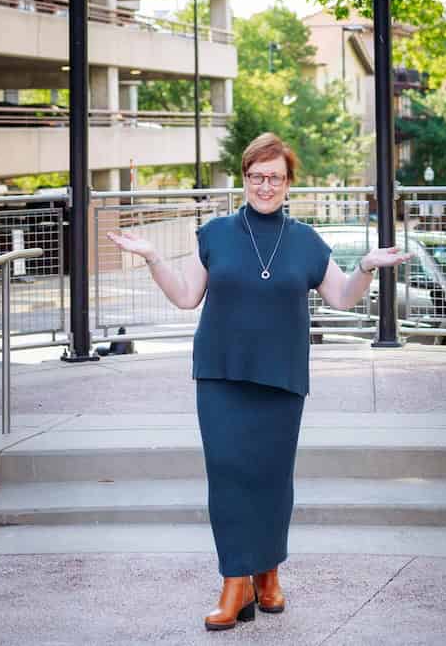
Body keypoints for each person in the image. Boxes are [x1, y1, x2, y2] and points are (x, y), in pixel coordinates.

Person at [107, 131, 410, 632]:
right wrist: (152, 256)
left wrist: (364, 268)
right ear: (244, 178)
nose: (265, 186)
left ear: (289, 182)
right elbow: (186, 297)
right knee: (227, 477)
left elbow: (341, 298)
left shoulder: (307, 241)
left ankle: (268, 573)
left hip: (280, 378)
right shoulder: (216, 233)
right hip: (221, 374)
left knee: (271, 479)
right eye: (256, 176)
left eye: (275, 177)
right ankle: (235, 582)